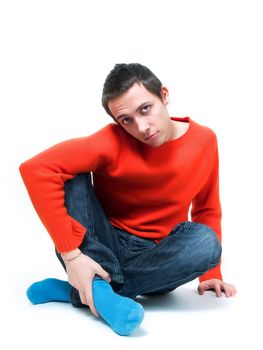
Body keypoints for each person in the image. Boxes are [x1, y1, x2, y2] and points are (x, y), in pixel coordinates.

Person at [19, 63, 237, 336]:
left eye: (146, 108)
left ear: (164, 95)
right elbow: (35, 169)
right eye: (126, 120)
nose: (142, 127)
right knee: (67, 173)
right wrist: (72, 256)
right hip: (100, 245)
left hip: (158, 258)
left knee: (206, 243)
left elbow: (206, 207)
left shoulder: (204, 140)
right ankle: (94, 285)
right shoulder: (111, 141)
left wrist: (212, 273)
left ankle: (85, 291)